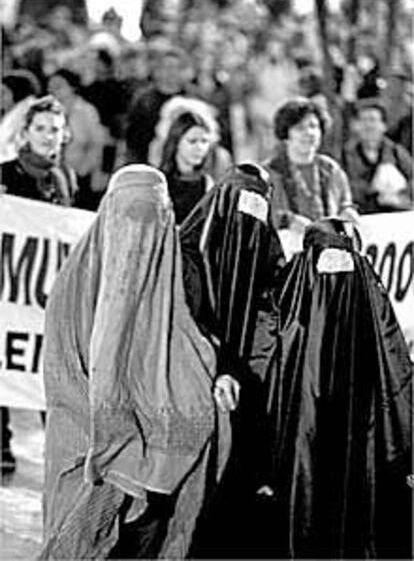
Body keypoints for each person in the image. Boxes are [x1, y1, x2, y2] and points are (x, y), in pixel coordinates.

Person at [39, 164, 231, 559]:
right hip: (84, 427)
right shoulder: (71, 288)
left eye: (150, 219)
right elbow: (62, 376)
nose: (138, 233)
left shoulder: (185, 272)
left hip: (156, 429)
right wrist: (108, 429)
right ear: (109, 212)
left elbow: (195, 344)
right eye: (130, 216)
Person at [259, 217, 412, 559]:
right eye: (327, 261)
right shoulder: (287, 316)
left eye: (343, 261)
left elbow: (396, 371)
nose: (336, 274)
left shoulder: (370, 311)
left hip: (358, 433)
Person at [179, 163, 286, 557]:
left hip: (247, 384)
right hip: (199, 380)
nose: (250, 219)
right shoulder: (188, 254)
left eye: (260, 208)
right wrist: (216, 366)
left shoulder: (268, 253)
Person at [0, 95, 76, 477]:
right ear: (26, 133)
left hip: (47, 292)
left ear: (65, 136)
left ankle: (57, 442)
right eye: (41, 129)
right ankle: (1, 441)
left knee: (47, 361)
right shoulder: (5, 175)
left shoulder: (65, 179)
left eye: (55, 130)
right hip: (8, 290)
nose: (48, 137)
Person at [263, 97, 358, 247]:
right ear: (286, 135)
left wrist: (348, 212)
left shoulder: (331, 169)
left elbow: (345, 202)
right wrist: (288, 220)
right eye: (300, 128)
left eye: (314, 126)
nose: (309, 133)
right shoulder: (268, 173)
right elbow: (260, 215)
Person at [47, 68, 105, 210]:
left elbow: (96, 144)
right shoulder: (46, 110)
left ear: (72, 87)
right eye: (50, 86)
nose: (53, 90)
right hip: (50, 173)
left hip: (78, 172)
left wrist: (87, 170)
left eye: (59, 85)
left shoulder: (86, 111)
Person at [342, 98, 413, 213]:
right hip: (362, 215)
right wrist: (373, 190)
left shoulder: (396, 152)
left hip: (396, 213)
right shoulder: (345, 154)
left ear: (384, 126)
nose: (368, 125)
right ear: (356, 125)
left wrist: (399, 195)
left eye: (373, 120)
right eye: (363, 120)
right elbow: (342, 187)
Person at [125, 47, 191, 164]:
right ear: (157, 70)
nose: (171, 72)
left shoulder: (191, 100)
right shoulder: (143, 100)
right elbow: (132, 137)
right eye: (167, 67)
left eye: (176, 67)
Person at [159, 111, 216, 224]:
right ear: (176, 142)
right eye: (192, 141)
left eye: (204, 141)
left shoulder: (206, 183)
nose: (199, 148)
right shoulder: (160, 182)